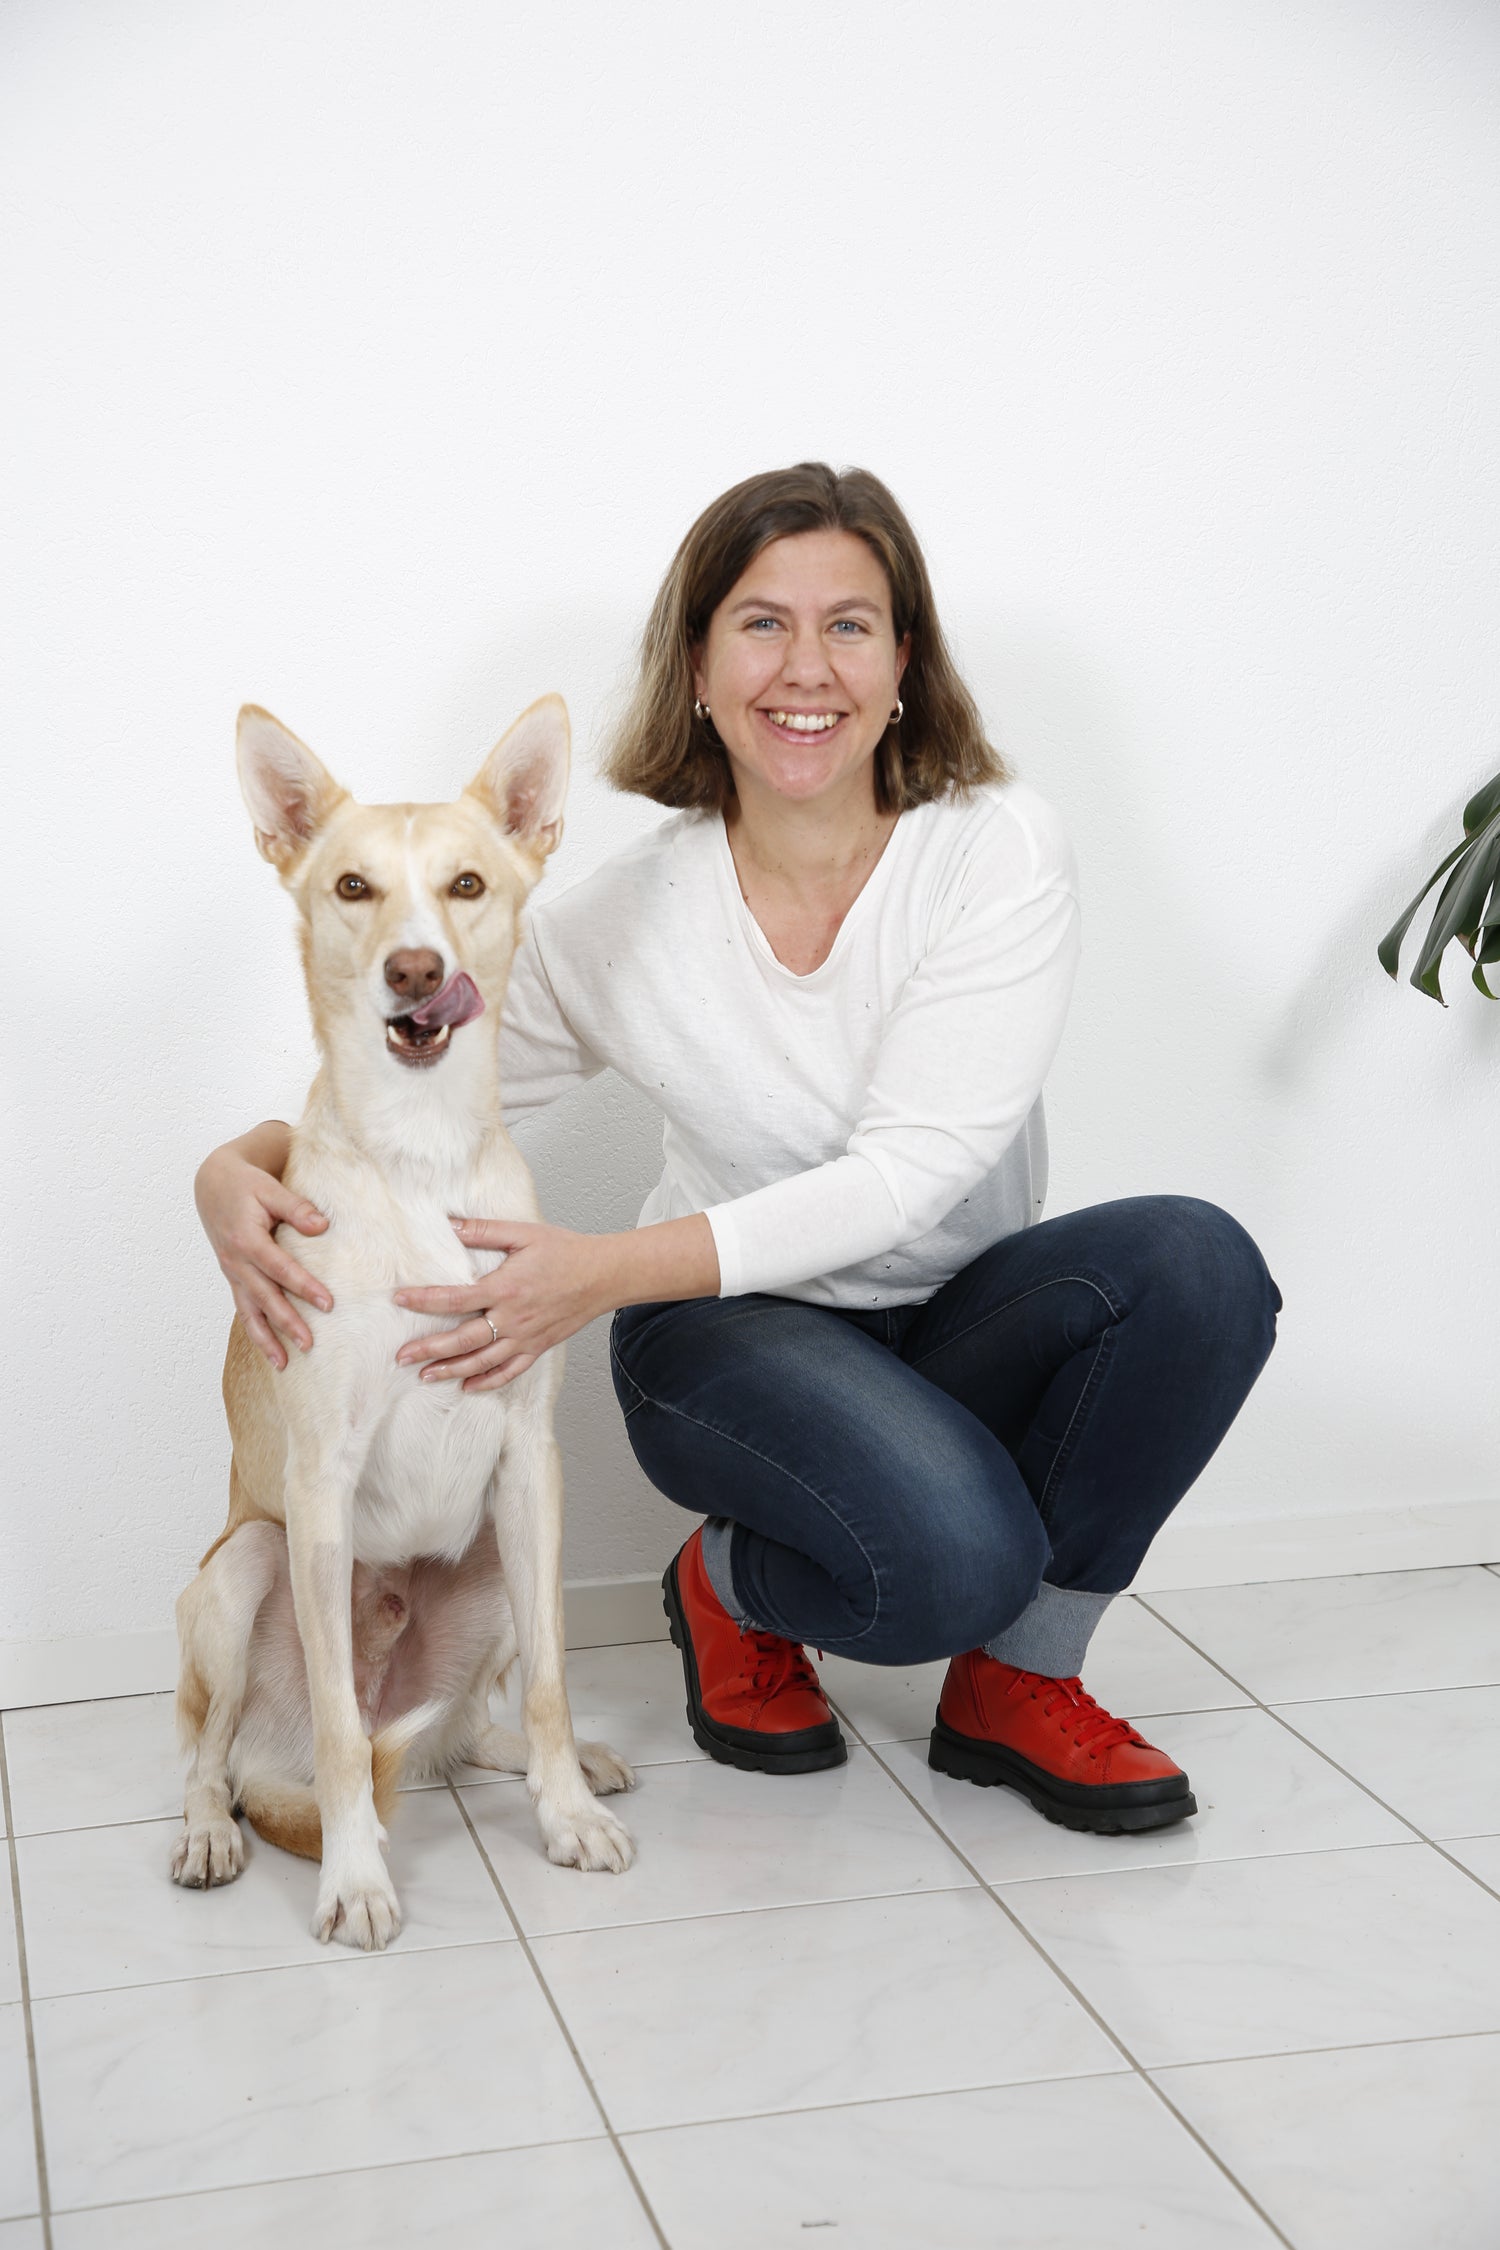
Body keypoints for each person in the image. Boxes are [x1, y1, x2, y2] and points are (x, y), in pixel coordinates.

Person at [195, 462, 1280, 1836]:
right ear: (698, 670)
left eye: (851, 624)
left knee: (1201, 1264)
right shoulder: (620, 917)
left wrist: (588, 1269)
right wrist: (236, 1162)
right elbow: (411, 1091)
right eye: (762, 623)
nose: (805, 666)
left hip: (950, 1315)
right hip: (723, 1332)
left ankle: (1019, 1677)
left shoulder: (994, 850)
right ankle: (730, 1589)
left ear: (904, 666)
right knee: (953, 1558)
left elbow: (909, 1175)